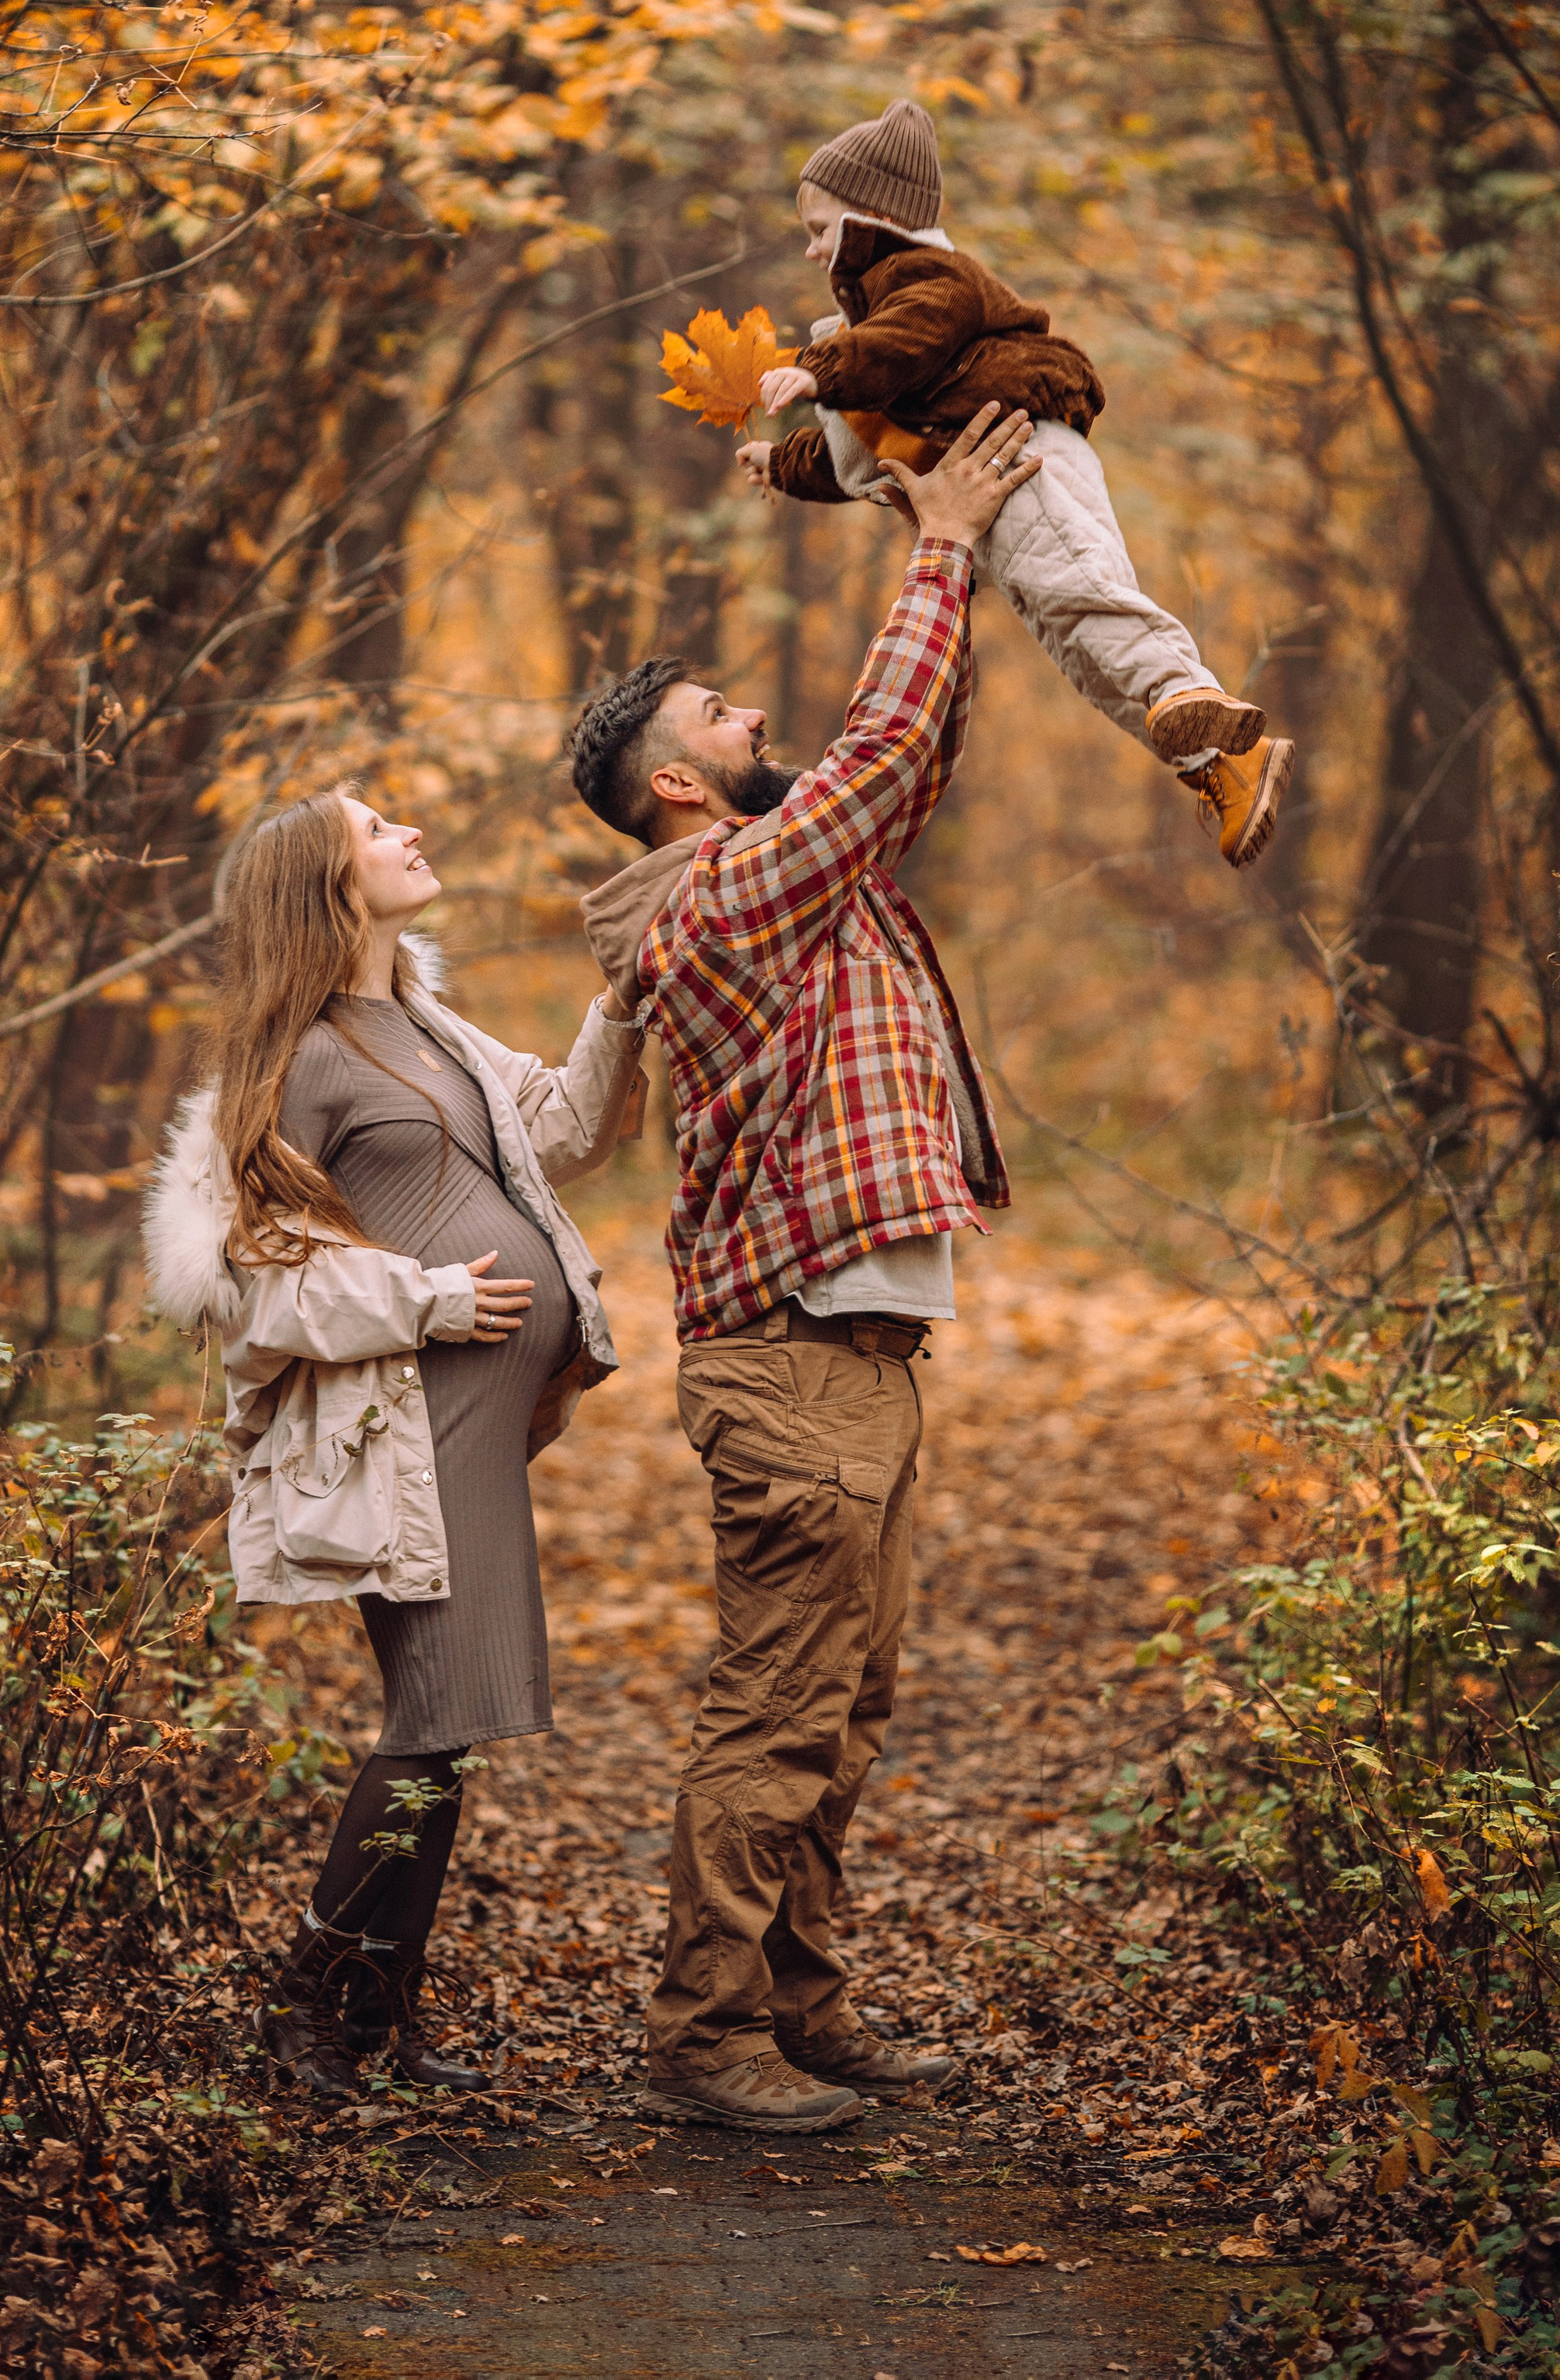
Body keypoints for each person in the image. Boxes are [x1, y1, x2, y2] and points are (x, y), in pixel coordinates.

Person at [566, 404, 1041, 2136]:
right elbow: (879, 751)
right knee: (774, 1715)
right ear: (679, 787)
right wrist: (944, 544)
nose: (749, 714)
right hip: (790, 1367)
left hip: (856, 1363)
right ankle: (703, 2043)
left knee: (843, 1710)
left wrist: (959, 566)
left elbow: (905, 759)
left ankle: (797, 2006)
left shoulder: (791, 880)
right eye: (716, 717)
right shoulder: (723, 897)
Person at [143, 787, 644, 2099]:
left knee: (449, 1720)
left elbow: (565, 1128)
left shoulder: (422, 1022)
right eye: (378, 828)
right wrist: (429, 1298)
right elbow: (256, 1277)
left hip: (469, 1421)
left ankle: (379, 2009)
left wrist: (627, 997)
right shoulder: (304, 1054)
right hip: (403, 1426)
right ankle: (306, 2007)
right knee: (434, 1716)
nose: (412, 830)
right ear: (325, 881)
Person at [732, 96, 1295, 870]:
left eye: (819, 232)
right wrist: (782, 464)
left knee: (1081, 591)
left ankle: (1178, 686)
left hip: (1023, 452)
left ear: (869, 218)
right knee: (1075, 644)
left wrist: (817, 368)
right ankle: (1221, 763)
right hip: (991, 487)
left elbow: (905, 341)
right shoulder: (873, 335)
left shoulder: (925, 280)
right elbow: (861, 456)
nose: (810, 253)